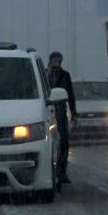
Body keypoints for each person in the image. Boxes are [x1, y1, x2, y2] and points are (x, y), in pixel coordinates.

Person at [46, 51, 77, 184]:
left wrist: (74, 114)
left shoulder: (65, 75)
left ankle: (61, 172)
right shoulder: (44, 75)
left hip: (61, 112)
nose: (57, 64)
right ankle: (49, 171)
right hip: (47, 113)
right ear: (51, 61)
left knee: (63, 143)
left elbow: (70, 95)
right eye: (55, 61)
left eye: (59, 61)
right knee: (48, 143)